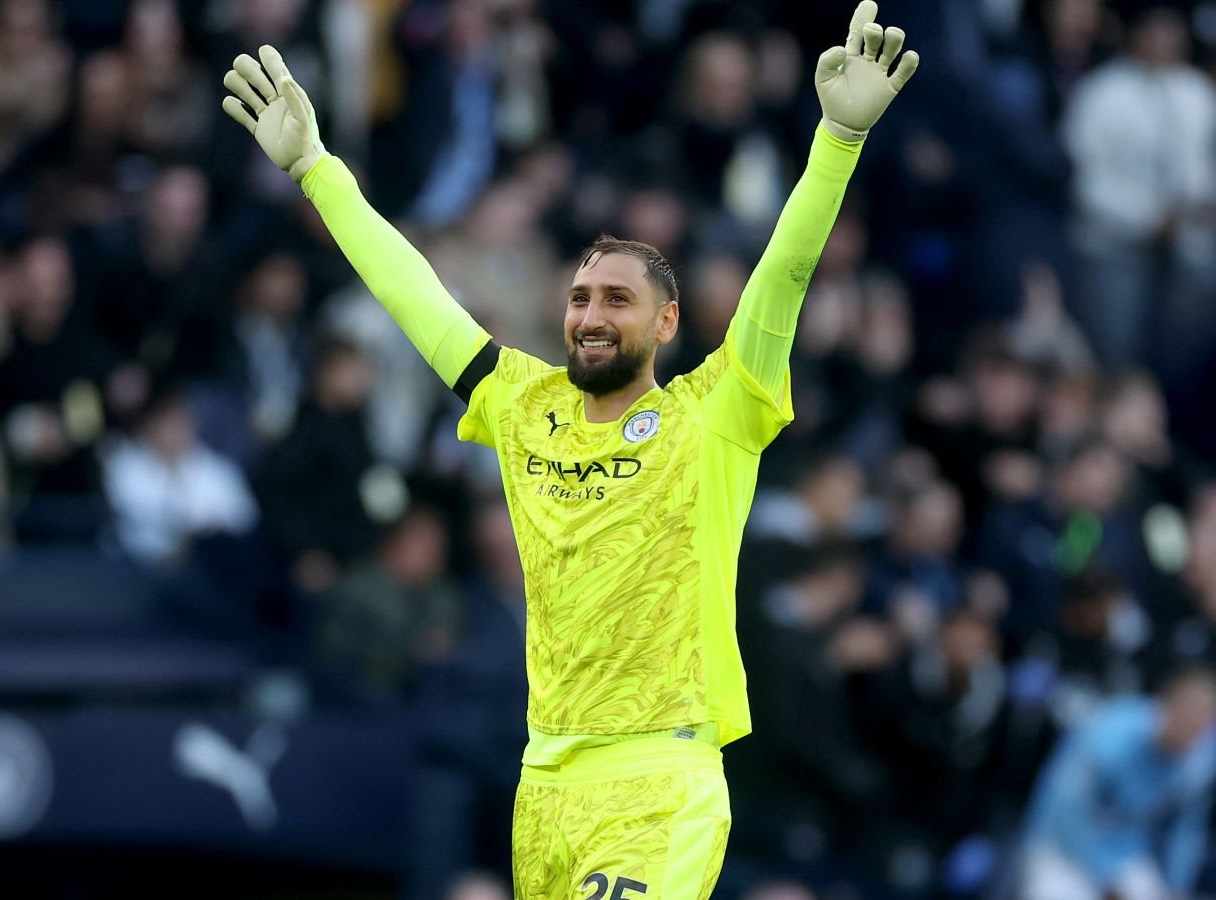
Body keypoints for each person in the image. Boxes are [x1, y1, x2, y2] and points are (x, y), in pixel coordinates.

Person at [220, 3, 919, 896]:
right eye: (581, 297)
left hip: (659, 779)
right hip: (545, 782)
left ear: (667, 323)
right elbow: (413, 295)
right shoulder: (522, 404)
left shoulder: (716, 412)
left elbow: (783, 275)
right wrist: (317, 170)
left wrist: (838, 141)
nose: (591, 314)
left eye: (618, 300)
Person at [1018, 666, 1216, 900]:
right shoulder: (1107, 733)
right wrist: (1105, 878)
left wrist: (1177, 883)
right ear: (1165, 704)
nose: (1191, 726)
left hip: (1125, 851)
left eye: (1202, 721)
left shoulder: (1199, 760)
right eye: (1188, 713)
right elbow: (1066, 811)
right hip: (1060, 846)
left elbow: (1186, 828)